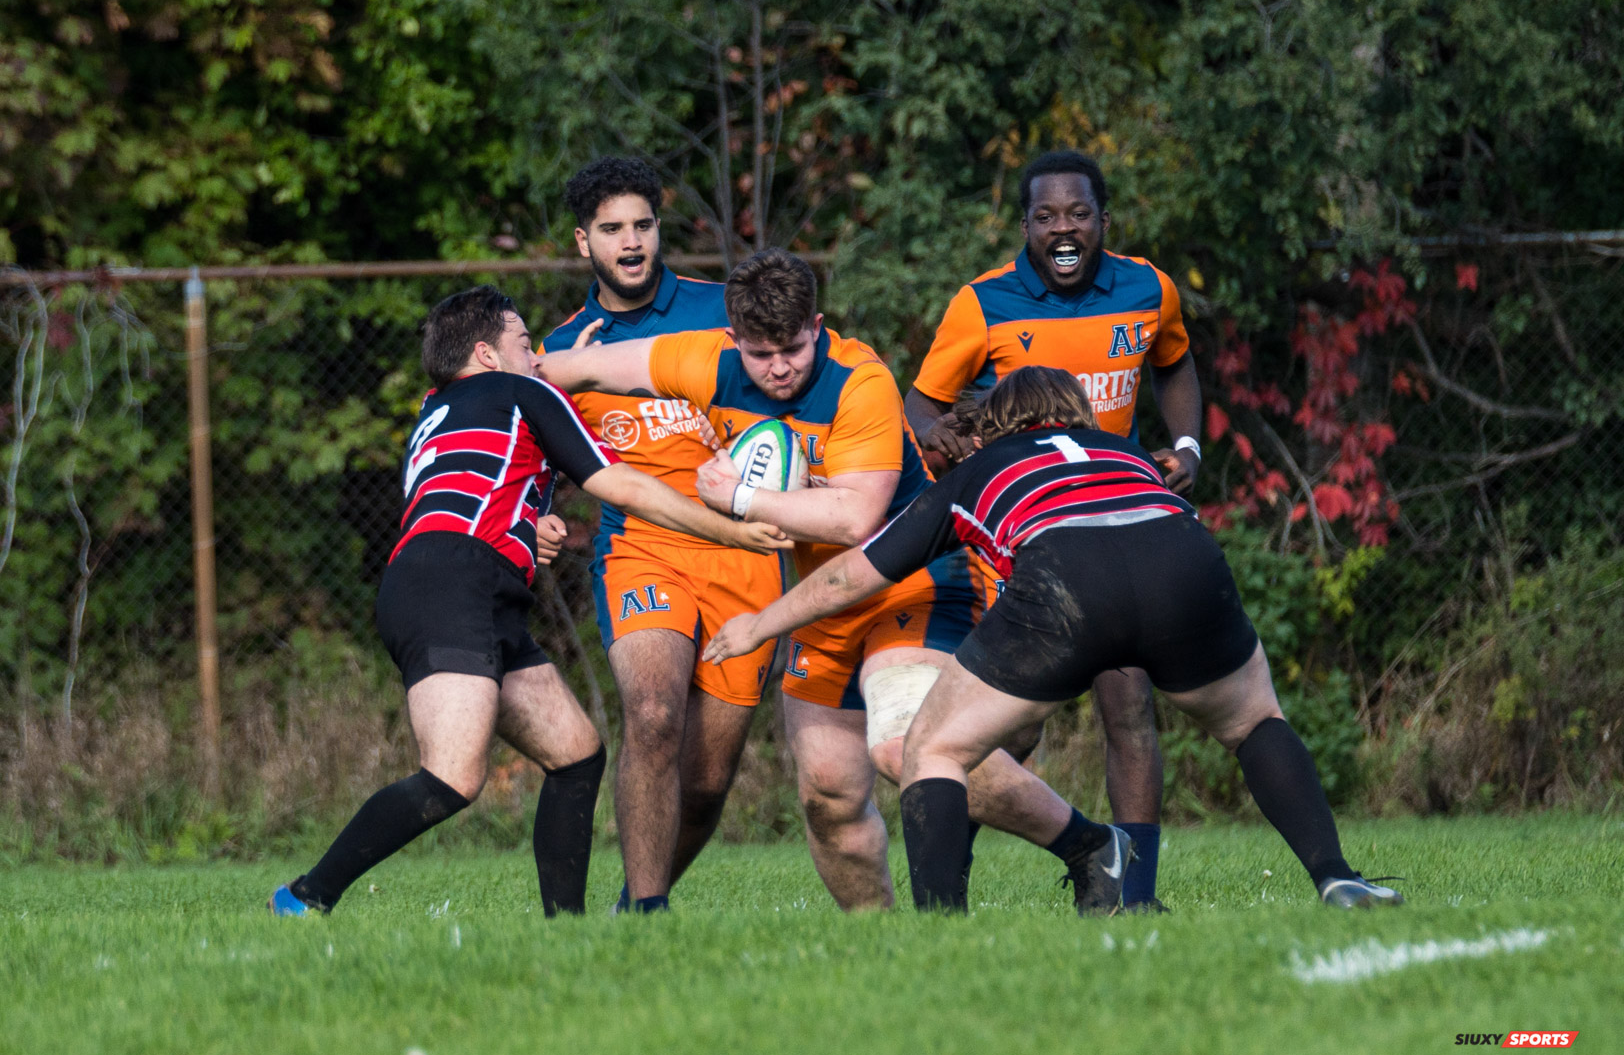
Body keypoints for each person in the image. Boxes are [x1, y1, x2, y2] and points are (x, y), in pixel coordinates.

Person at [541, 250, 1130, 913]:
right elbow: (585, 366)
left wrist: (740, 499)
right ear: (733, 340)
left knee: (901, 742)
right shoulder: (708, 360)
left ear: (816, 326)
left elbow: (855, 519)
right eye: (761, 354)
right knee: (827, 789)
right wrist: (525, 372)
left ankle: (1092, 846)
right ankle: (878, 945)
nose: (780, 367)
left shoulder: (859, 381)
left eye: (793, 347)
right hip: (823, 599)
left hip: (912, 581)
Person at [710, 366, 1402, 914]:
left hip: (1067, 581)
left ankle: (938, 942)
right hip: (1183, 561)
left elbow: (851, 577)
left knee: (933, 749)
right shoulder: (1123, 450)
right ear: (1076, 413)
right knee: (1255, 720)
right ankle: (1337, 878)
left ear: (992, 427)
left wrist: (758, 625)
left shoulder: (975, 470)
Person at [270, 287, 790, 917]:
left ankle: (564, 933)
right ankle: (305, 897)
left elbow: (486, 491)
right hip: (453, 586)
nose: (540, 358)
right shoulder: (525, 394)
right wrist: (734, 526)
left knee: (575, 756)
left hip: (455, 584)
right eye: (525, 345)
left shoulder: (440, 408)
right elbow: (618, 483)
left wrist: (528, 531)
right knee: (454, 777)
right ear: (488, 355)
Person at [902, 150, 1201, 911]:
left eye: (1077, 213)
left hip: (1115, 525)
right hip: (1023, 539)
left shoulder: (1148, 287)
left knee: (1128, 706)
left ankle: (1132, 893)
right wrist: (958, 448)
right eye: (1045, 215)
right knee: (1008, 727)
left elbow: (1175, 362)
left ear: (1105, 220)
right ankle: (946, 893)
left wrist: (1187, 446)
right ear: (1026, 225)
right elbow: (920, 406)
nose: (1061, 227)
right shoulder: (984, 305)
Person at [539, 158, 785, 913]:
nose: (632, 241)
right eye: (612, 229)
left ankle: (632, 899)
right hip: (641, 550)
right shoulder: (566, 349)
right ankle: (648, 917)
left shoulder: (724, 311)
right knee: (650, 714)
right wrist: (539, 516)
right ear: (585, 243)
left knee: (706, 782)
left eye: (642, 224)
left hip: (747, 552)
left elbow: (796, 389)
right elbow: (537, 458)